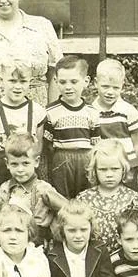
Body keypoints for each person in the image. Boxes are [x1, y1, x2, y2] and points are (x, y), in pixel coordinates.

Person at [0, 59, 48, 192]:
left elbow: (38, 146)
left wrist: (29, 165)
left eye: (23, 81)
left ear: (30, 81)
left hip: (26, 168)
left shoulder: (37, 111)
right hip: (0, 168)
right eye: (12, 81)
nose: (18, 87)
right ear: (1, 79)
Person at [0, 132, 68, 247]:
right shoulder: (4, 189)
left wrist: (54, 227)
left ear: (36, 162)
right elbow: (1, 218)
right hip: (13, 241)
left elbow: (66, 209)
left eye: (25, 163)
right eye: (14, 164)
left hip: (38, 243)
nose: (20, 169)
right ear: (7, 164)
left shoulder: (43, 189)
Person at [73, 139, 138, 255]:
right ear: (94, 170)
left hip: (123, 259)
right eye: (103, 169)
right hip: (92, 257)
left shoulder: (132, 199)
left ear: (123, 169)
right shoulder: (84, 198)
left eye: (115, 169)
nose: (109, 174)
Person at [43, 55, 100, 199]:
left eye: (74, 82)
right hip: (61, 159)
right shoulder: (50, 111)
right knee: (62, 196)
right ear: (55, 81)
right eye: (62, 82)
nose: (68, 87)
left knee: (87, 196)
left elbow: (96, 144)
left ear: (86, 81)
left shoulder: (92, 112)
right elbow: (47, 145)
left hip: (86, 159)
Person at [90, 58, 138, 188]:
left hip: (126, 165)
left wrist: (133, 166)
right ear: (96, 83)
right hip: (104, 166)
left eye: (115, 88)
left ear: (122, 85)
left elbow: (137, 142)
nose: (110, 92)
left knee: (128, 197)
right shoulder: (91, 111)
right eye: (105, 86)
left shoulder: (128, 111)